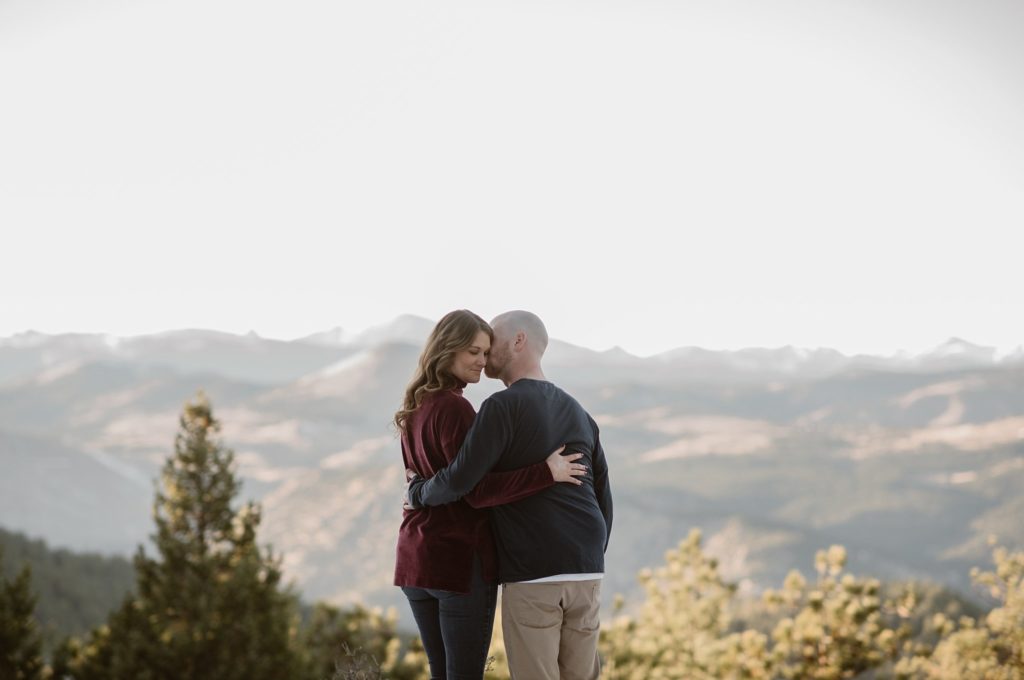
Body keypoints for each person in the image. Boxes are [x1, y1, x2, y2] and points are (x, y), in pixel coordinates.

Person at [406, 310, 613, 680]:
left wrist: (419, 492)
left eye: (492, 344)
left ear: (519, 341)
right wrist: (589, 554)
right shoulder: (580, 413)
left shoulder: (499, 407)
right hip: (587, 569)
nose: (485, 358)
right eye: (477, 350)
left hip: (533, 571)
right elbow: (602, 495)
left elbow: (464, 484)